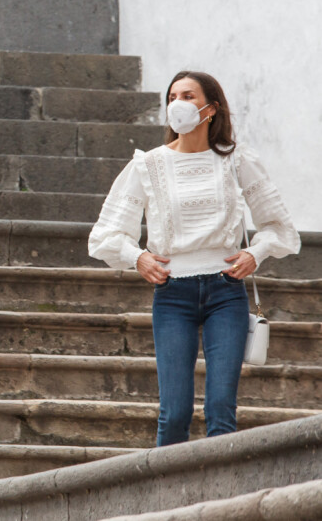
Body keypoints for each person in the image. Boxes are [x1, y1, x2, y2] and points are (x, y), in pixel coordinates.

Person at [88, 71, 300, 447]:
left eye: (188, 95)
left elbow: (279, 227)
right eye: (172, 97)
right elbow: (105, 235)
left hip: (226, 291)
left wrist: (256, 252)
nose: (178, 104)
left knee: (221, 409)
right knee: (175, 412)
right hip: (172, 294)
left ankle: (222, 503)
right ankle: (167, 500)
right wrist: (137, 258)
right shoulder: (148, 165)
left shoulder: (237, 160)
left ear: (211, 108)